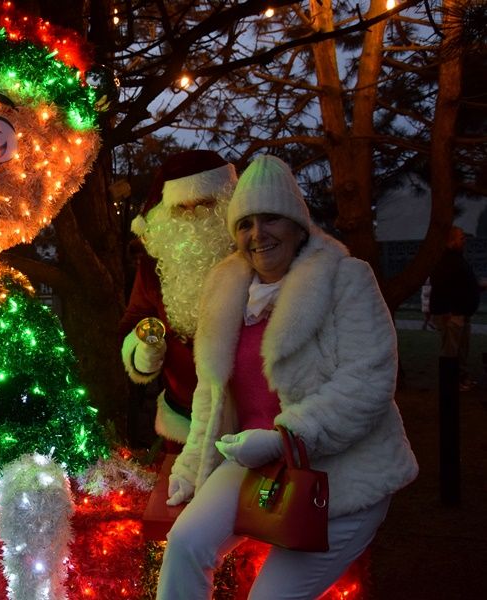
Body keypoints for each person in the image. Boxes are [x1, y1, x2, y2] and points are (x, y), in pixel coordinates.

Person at [157, 155, 419, 599]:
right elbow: (213, 389)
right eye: (246, 223)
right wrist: (191, 464)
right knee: (184, 545)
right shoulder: (226, 287)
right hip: (259, 461)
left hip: (345, 474)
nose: (258, 234)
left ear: (298, 224)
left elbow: (368, 381)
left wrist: (285, 439)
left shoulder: (345, 279)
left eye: (272, 218)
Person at [119, 150, 236, 447]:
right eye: (180, 208)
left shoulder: (253, 258)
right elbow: (134, 321)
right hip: (184, 420)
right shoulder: (153, 267)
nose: (192, 218)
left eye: (204, 205)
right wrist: (142, 351)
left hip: (251, 420)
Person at [429, 227, 483, 392]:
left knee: (461, 349)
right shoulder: (444, 261)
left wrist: (476, 286)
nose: (464, 240)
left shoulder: (457, 259)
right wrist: (446, 311)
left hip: (461, 313)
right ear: (451, 241)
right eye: (460, 238)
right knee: (451, 351)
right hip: (451, 315)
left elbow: (461, 284)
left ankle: (461, 379)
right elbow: (440, 286)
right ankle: (450, 383)